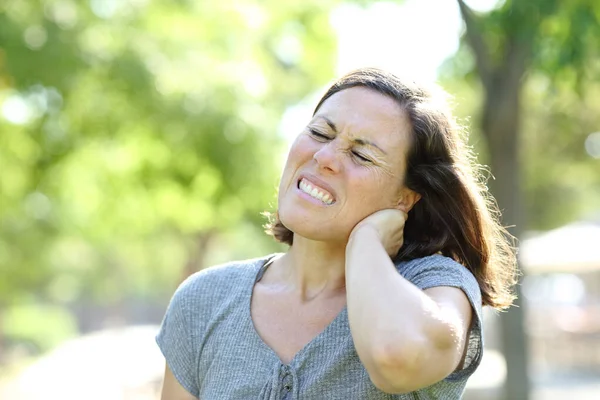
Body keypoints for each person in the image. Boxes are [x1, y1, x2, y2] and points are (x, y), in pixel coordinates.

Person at [156, 68, 517, 400]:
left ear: (405, 198)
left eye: (361, 155)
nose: (325, 156)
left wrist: (366, 243)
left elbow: (397, 357)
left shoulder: (435, 287)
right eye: (319, 133)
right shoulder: (203, 300)